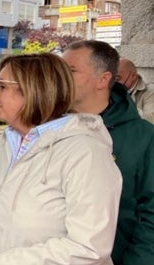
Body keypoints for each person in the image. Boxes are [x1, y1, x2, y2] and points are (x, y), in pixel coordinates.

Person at [0, 53, 122, 265]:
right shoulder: (3, 145)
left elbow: (88, 248)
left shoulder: (86, 153)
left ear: (33, 91)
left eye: (2, 86)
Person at [63, 40, 154, 265]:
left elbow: (151, 214)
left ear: (103, 79)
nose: (60, 78)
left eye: (71, 71)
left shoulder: (143, 137)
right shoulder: (46, 127)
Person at [117, 57, 154, 123]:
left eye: (118, 78)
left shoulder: (150, 92)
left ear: (133, 76)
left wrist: (123, 108)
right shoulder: (110, 90)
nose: (113, 82)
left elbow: (150, 120)